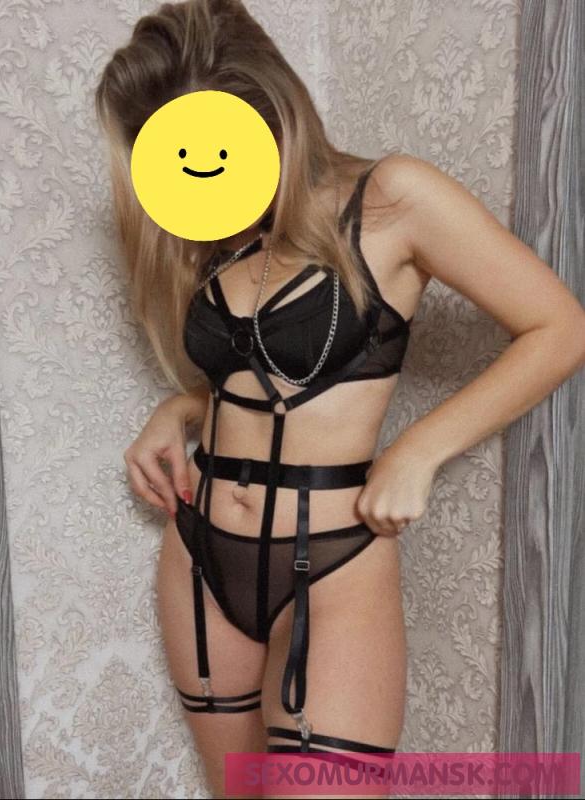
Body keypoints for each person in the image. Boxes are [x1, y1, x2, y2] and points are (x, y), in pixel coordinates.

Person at [94, 0, 585, 796]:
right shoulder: (217, 228)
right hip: (200, 554)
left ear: (273, 109)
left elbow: (559, 328)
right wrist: (178, 410)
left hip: (332, 558)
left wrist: (417, 451)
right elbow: (262, 378)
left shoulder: (392, 198)